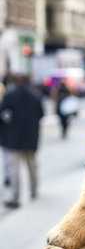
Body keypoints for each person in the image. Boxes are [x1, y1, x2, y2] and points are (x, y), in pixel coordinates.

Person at [0, 72, 44, 209]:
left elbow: (3, 115)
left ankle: (15, 196)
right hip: (30, 138)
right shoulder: (35, 96)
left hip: (13, 139)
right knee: (32, 166)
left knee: (14, 169)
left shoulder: (10, 95)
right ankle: (34, 191)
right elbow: (41, 114)